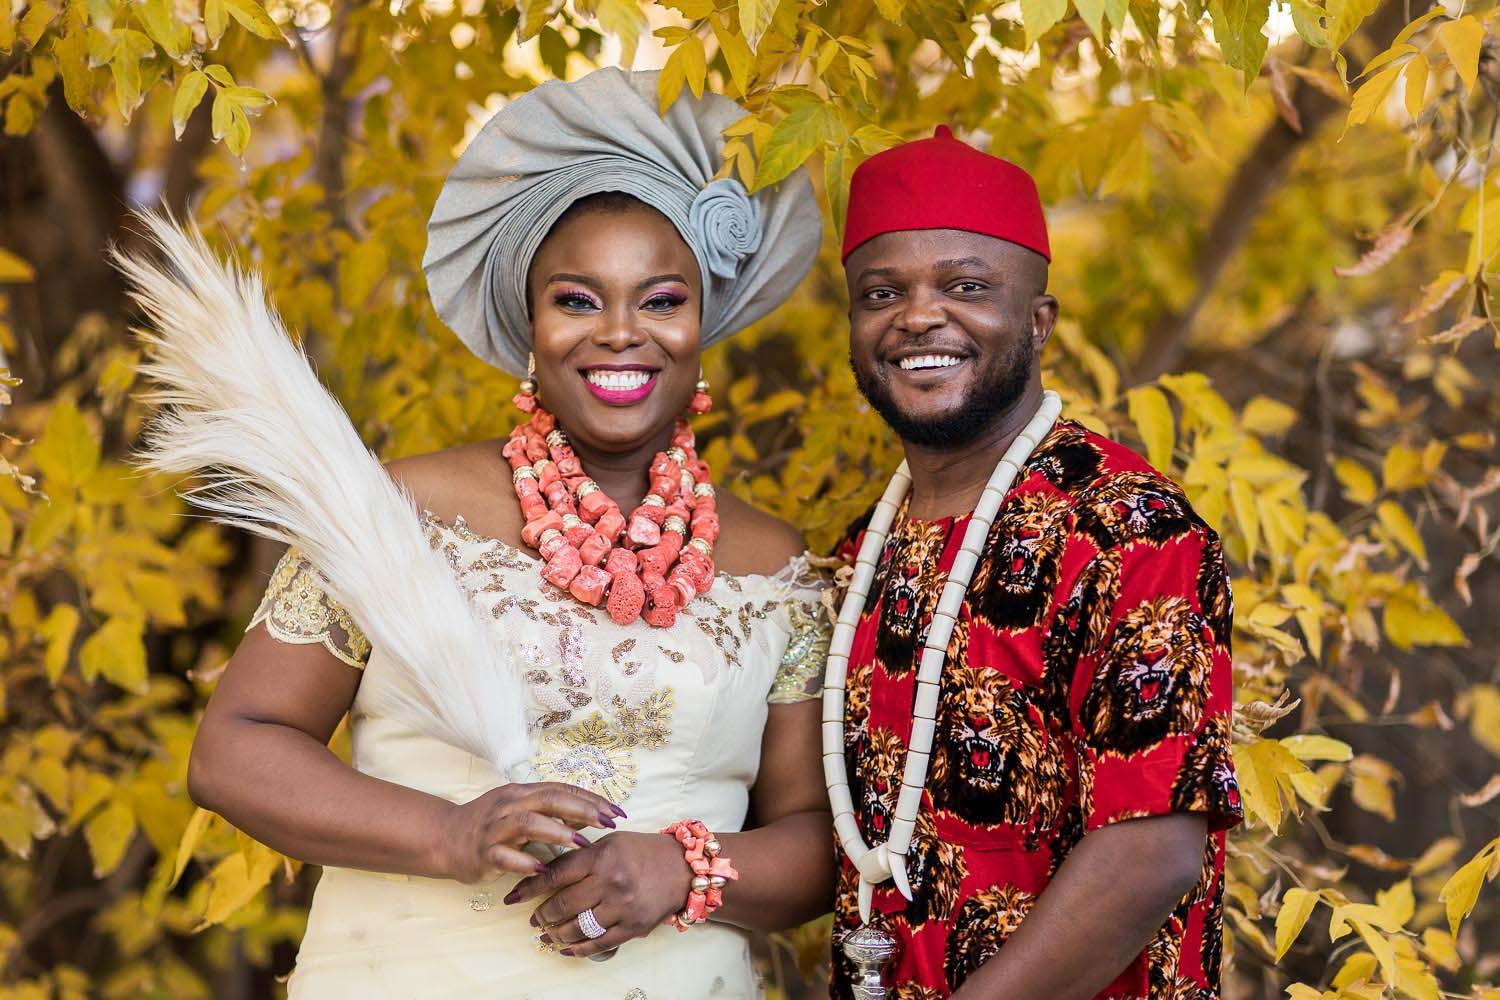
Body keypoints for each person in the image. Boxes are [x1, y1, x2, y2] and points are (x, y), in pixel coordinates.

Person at [184, 67, 834, 998]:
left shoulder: (779, 567)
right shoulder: (399, 510)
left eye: (661, 300)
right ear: (529, 322)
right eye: (577, 300)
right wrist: (450, 834)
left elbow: (814, 842)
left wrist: (686, 869)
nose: (621, 332)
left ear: (705, 322)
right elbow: (235, 748)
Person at [821, 126, 1242, 999]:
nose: (918, 317)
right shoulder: (861, 553)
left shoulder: (1130, 531)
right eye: (881, 293)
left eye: (966, 287)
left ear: (1039, 321)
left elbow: (1151, 848)